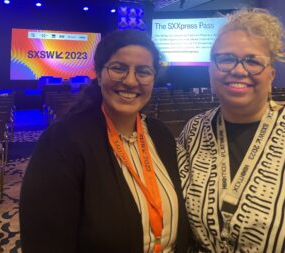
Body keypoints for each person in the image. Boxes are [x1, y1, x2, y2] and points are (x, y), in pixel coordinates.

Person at [19, 29, 191, 253]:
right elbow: (45, 242)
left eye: (143, 71)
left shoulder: (160, 134)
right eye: (118, 68)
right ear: (99, 74)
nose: (130, 81)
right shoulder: (61, 143)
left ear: (153, 79)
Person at [177, 8, 285, 252]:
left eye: (252, 61)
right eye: (226, 58)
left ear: (271, 75)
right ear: (210, 70)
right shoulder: (193, 131)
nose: (238, 70)